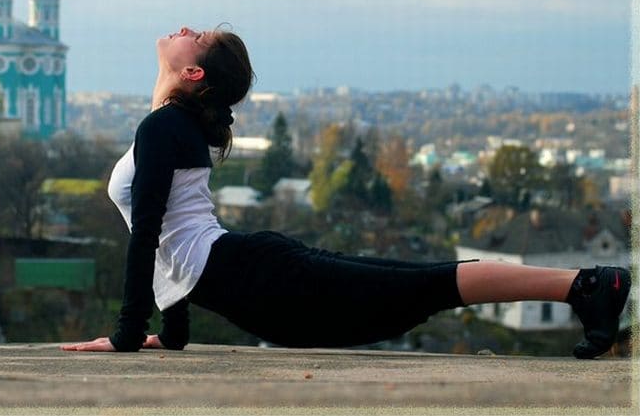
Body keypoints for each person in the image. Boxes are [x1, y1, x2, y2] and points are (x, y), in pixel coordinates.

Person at [61, 26, 631, 359]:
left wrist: (129, 337)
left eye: (197, 37)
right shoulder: (168, 124)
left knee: (421, 285)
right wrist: (172, 333)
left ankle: (588, 285)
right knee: (415, 288)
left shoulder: (164, 128)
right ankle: (586, 288)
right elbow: (169, 240)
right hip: (252, 276)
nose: (183, 30)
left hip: (259, 280)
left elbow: (153, 241)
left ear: (194, 75)